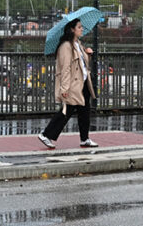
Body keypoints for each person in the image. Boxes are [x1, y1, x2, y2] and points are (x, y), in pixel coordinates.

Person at [38, 18, 98, 148]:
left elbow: (82, 64)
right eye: (79, 27)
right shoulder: (66, 46)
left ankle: (85, 138)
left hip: (83, 83)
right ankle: (46, 134)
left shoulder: (77, 44)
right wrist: (64, 88)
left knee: (84, 111)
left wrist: (88, 54)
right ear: (72, 29)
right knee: (67, 110)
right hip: (73, 85)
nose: (82, 29)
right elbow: (65, 68)